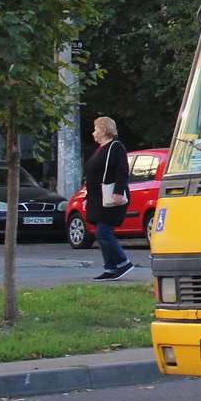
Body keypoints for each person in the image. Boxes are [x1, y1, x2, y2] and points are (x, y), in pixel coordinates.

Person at [84, 116, 133, 280]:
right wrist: (87, 197)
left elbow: (122, 171)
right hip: (98, 199)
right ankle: (110, 268)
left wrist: (118, 191)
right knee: (101, 233)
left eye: (96, 129)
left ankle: (123, 262)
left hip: (112, 197)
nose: (93, 133)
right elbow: (93, 175)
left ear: (104, 130)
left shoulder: (115, 147)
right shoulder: (100, 149)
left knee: (103, 232)